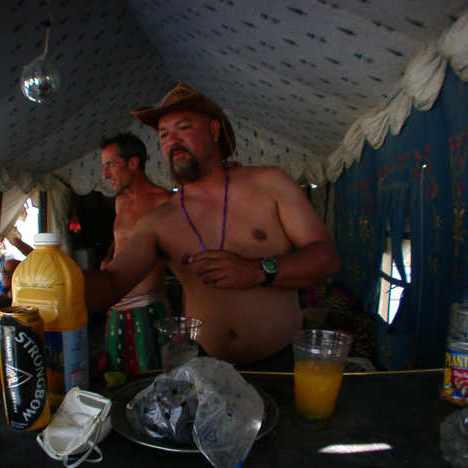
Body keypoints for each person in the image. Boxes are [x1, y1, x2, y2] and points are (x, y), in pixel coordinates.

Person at [83, 83, 341, 372]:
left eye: (183, 128)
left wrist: (258, 270)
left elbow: (326, 257)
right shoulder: (159, 220)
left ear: (214, 131)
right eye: (164, 134)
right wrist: (47, 282)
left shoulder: (269, 183)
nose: (172, 140)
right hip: (206, 369)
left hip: (280, 364)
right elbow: (111, 283)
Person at [97, 132, 174, 373]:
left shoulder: (165, 202)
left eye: (110, 164)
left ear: (133, 163)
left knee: (154, 384)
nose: (104, 174)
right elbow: (120, 237)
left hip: (149, 308)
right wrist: (108, 257)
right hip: (116, 306)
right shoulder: (120, 201)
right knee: (116, 381)